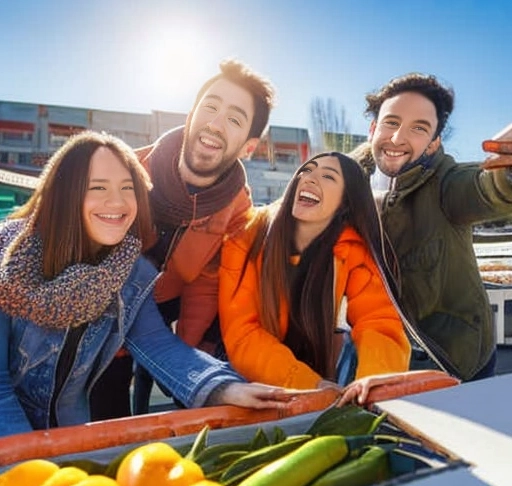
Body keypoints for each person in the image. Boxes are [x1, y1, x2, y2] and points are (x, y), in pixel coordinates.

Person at [0, 131, 288, 438]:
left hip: (70, 439)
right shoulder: (8, 257)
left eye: (128, 188)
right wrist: (27, 455)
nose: (118, 202)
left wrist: (224, 387)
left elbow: (159, 344)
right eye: (98, 187)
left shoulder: (130, 272)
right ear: (65, 193)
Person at [125, 58, 276, 415]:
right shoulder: (124, 174)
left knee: (170, 386)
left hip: (163, 311)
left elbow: (206, 283)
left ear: (248, 148)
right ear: (191, 113)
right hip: (102, 313)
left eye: (235, 119)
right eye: (210, 107)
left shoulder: (237, 210)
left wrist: (190, 358)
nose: (216, 123)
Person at [349, 72, 512, 381]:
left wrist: (507, 172)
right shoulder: (346, 184)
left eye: (419, 128)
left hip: (453, 361)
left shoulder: (445, 185)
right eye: (391, 122)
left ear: (433, 143)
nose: (398, 139)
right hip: (379, 361)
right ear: (373, 128)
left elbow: (487, 187)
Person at [218, 152, 411, 389]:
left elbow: (378, 320)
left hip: (315, 363)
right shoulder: (247, 237)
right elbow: (242, 333)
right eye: (305, 171)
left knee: (351, 348)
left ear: (345, 202)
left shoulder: (351, 248)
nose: (309, 179)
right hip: (243, 370)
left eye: (328, 177)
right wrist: (311, 386)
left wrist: (373, 385)